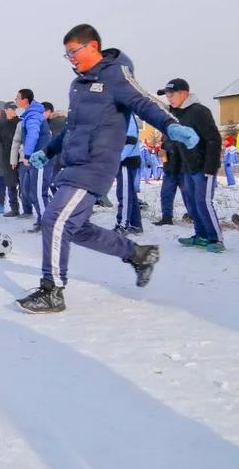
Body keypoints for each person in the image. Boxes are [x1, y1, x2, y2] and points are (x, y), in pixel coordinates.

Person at [18, 24, 198, 313]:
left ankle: (52, 290)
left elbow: (144, 101)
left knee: (54, 219)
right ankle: (139, 254)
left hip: (96, 165)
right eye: (67, 55)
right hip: (74, 164)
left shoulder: (115, 73)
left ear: (92, 46)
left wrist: (172, 126)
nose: (71, 59)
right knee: (76, 229)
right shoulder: (78, 86)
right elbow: (72, 130)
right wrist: (47, 151)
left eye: (73, 52)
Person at [157, 78, 225, 252]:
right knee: (191, 202)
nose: (169, 98)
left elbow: (213, 139)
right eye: (167, 95)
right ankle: (201, 235)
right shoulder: (175, 114)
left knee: (203, 202)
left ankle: (215, 239)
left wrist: (210, 167)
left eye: (172, 94)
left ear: (184, 93)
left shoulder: (199, 112)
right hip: (185, 167)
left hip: (203, 166)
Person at [15, 89, 52, 232]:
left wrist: (27, 155)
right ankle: (42, 218)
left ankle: (46, 223)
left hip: (40, 159)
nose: (16, 100)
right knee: (32, 191)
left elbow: (33, 134)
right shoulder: (30, 114)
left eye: (18, 97)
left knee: (38, 192)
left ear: (26, 100)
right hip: (36, 158)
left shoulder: (33, 116)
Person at [0, 103, 21, 217]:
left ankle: (28, 209)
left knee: (24, 184)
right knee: (11, 184)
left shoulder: (20, 122)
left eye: (14, 109)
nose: (13, 111)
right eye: (10, 109)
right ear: (5, 110)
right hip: (7, 157)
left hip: (21, 156)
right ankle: (14, 208)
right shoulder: (0, 125)